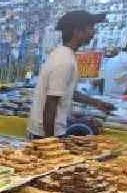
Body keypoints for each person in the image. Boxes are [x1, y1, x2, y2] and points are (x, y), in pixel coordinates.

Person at [27, 10, 115, 139]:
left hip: (49, 129)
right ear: (77, 31)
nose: (93, 33)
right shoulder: (64, 61)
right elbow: (51, 103)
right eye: (90, 28)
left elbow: (66, 92)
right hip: (46, 132)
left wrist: (96, 103)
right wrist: (50, 143)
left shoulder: (64, 54)